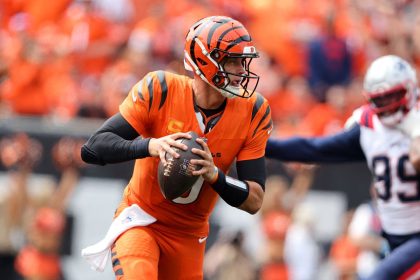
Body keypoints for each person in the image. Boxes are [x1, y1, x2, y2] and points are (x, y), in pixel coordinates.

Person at [80, 15, 272, 279]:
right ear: (206, 61)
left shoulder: (253, 112)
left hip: (190, 236)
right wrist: (150, 146)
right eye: (233, 60)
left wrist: (214, 175)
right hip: (142, 220)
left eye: (243, 61)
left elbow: (255, 199)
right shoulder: (161, 90)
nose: (242, 70)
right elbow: (93, 148)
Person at [266, 54, 420, 280]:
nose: (387, 107)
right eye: (380, 99)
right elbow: (315, 149)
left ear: (409, 89)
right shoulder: (369, 128)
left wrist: (415, 131)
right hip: (394, 238)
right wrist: (263, 145)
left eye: (393, 97)